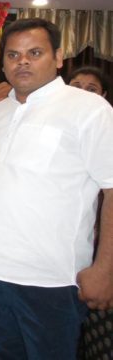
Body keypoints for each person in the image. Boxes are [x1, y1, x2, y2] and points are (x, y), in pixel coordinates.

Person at [0, 18, 113, 359]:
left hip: (51, 277)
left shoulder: (89, 109)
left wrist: (105, 268)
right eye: (13, 55)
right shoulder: (0, 111)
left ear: (58, 57)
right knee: (7, 353)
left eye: (34, 53)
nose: (22, 62)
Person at [68, 67, 112, 360]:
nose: (82, 94)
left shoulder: (105, 127)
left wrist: (105, 267)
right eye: (76, 86)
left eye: (91, 89)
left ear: (104, 96)